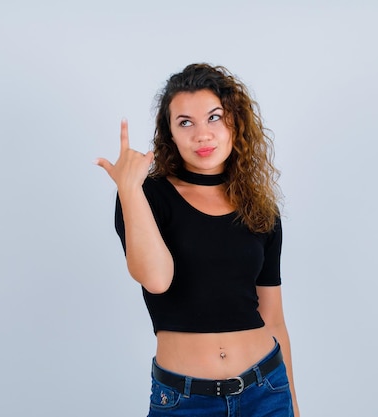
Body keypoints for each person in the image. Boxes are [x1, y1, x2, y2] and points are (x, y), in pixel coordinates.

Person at [96, 63, 300, 417]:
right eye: (185, 122)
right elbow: (156, 280)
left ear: (235, 123)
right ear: (170, 135)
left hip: (266, 390)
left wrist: (294, 407)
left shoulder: (259, 208)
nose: (202, 134)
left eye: (214, 117)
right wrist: (129, 189)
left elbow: (274, 319)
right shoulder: (148, 195)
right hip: (183, 400)